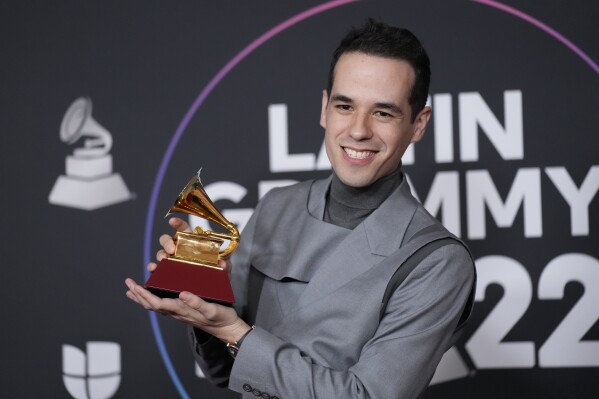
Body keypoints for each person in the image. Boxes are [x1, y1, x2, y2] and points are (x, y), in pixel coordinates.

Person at [126, 19, 475, 399]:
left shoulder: (437, 261)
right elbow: (226, 373)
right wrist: (205, 301)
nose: (358, 130)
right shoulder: (277, 207)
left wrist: (232, 330)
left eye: (383, 113)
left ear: (418, 124)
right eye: (345, 105)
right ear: (325, 108)